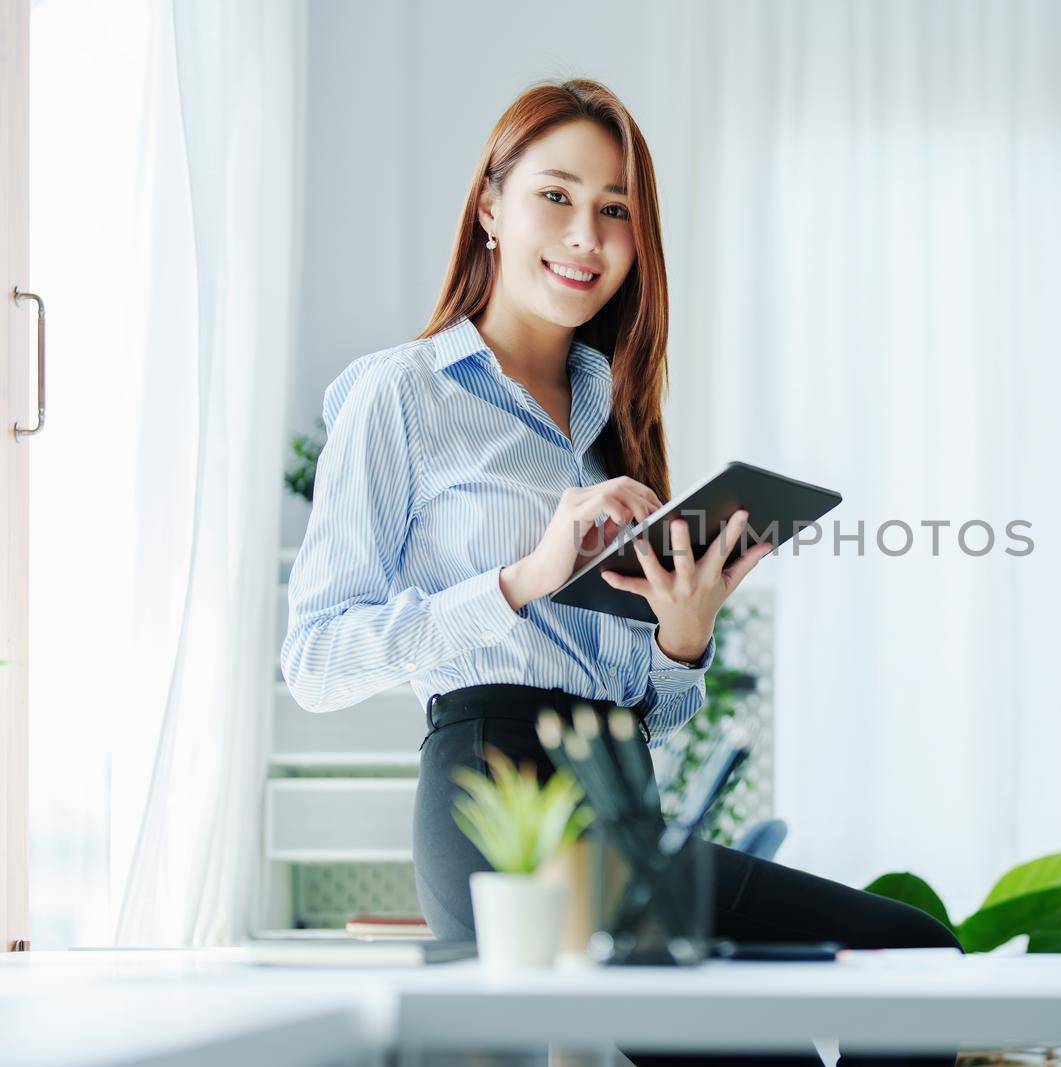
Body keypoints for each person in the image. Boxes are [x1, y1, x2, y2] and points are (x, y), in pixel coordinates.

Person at [280, 77, 962, 1066]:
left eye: (615, 211)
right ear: (489, 207)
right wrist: (522, 576)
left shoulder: (612, 415)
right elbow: (315, 659)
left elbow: (655, 703)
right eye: (555, 196)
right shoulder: (400, 393)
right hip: (497, 782)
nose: (586, 238)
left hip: (626, 795)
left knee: (921, 957)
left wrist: (683, 635)